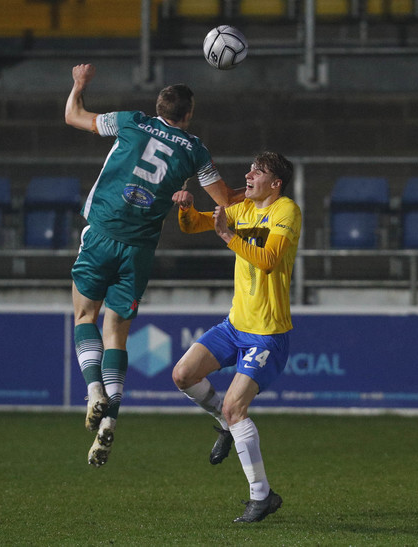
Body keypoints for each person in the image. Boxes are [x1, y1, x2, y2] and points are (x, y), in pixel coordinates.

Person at [65, 63, 244, 468]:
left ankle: (95, 392)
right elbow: (224, 200)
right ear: (188, 114)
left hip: (102, 232)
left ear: (158, 106)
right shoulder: (194, 150)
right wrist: (252, 189)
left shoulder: (131, 121)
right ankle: (110, 417)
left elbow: (73, 116)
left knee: (83, 315)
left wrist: (78, 86)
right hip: (140, 249)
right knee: (117, 335)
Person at [171, 151, 301, 523]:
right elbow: (194, 225)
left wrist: (227, 236)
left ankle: (261, 496)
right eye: (250, 169)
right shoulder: (242, 207)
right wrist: (185, 208)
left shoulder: (285, 212)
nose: (247, 175)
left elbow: (270, 259)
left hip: (266, 333)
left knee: (235, 406)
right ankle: (227, 424)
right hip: (234, 325)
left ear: (274, 184)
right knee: (183, 375)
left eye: (257, 172)